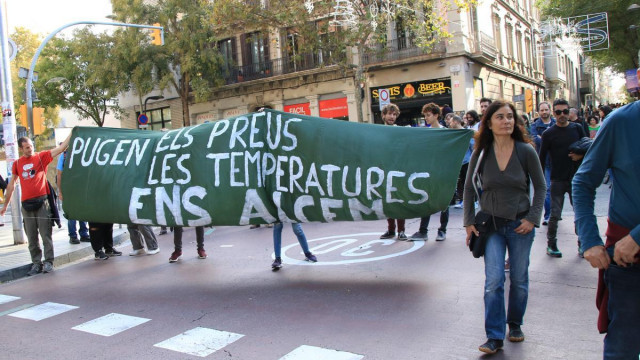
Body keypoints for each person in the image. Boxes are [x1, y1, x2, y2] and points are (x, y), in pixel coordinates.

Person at [463, 100, 545, 355]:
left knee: (519, 279)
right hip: (492, 226)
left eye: (510, 117)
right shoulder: (481, 153)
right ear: (488, 122)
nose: (507, 121)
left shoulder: (526, 151)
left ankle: (515, 323)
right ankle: (494, 336)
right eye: (500, 117)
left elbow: (541, 187)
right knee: (494, 281)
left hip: (520, 224)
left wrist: (532, 218)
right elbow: (467, 189)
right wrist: (468, 222)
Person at [572, 100, 640, 359]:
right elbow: (583, 181)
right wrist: (589, 239)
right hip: (628, 262)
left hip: (628, 245)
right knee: (622, 348)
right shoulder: (620, 122)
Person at [1, 136, 71, 275]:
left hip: (42, 202)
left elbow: (61, 148)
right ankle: (36, 263)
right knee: (32, 237)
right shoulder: (17, 164)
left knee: (46, 235)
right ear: (21, 149)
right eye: (27, 147)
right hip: (26, 205)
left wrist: (73, 132)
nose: (30, 149)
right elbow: (11, 185)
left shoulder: (41, 157)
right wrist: (5, 206)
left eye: (31, 146)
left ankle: (49, 262)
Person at [539, 99, 587, 258]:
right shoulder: (548, 134)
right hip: (557, 179)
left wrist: (580, 155)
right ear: (554, 113)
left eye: (565, 111)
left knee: (580, 213)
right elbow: (541, 157)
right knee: (554, 214)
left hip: (576, 179)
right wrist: (539, 180)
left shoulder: (577, 128)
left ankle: (582, 244)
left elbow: (587, 147)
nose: (562, 115)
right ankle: (551, 245)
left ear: (569, 112)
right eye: (558, 112)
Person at [410, 103, 449, 241]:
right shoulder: (426, 132)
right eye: (425, 115)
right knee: (426, 201)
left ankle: (442, 230)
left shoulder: (446, 132)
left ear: (436, 115)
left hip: (443, 172)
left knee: (444, 202)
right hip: (429, 172)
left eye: (428, 115)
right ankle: (423, 230)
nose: (426, 118)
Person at [379, 103, 407, 240]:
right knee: (387, 202)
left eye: (394, 114)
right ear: (383, 115)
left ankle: (401, 231)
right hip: (383, 171)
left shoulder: (400, 131)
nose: (392, 116)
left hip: (397, 171)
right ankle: (391, 230)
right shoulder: (378, 131)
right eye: (389, 114)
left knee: (399, 200)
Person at [56, 150, 90, 245]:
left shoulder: (82, 153)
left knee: (83, 211)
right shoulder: (64, 156)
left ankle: (84, 234)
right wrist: (60, 192)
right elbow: (59, 174)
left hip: (81, 188)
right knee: (71, 214)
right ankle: (73, 236)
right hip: (69, 189)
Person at [529, 101, 555, 225]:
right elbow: (535, 140)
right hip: (544, 161)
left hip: (557, 160)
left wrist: (543, 137)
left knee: (559, 189)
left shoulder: (555, 123)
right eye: (542, 110)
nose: (544, 112)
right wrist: (549, 138)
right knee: (547, 188)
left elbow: (558, 139)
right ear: (538, 112)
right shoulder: (535, 125)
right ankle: (548, 215)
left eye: (546, 110)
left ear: (550, 110)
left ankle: (556, 213)